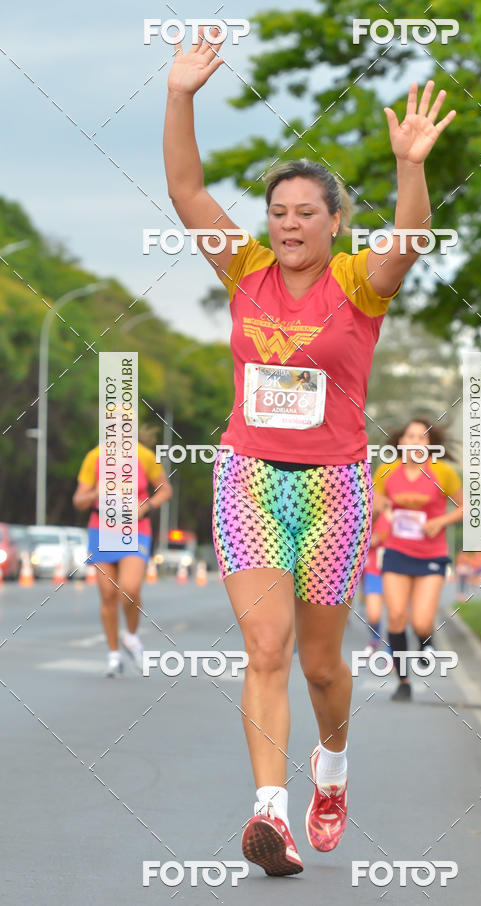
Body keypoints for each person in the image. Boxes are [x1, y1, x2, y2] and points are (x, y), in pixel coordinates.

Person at [163, 25, 456, 876]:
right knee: (266, 649)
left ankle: (332, 768)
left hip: (333, 488)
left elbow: (410, 240)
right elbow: (186, 189)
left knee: (324, 667)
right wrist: (180, 94)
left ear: (334, 221)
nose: (289, 225)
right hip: (249, 477)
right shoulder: (245, 269)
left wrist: (410, 167)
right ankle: (270, 814)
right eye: (278, 212)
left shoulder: (359, 284)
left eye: (305, 213)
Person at [373, 419, 463, 701]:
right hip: (396, 552)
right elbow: (374, 501)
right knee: (396, 616)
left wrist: (440, 522)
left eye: (421, 437)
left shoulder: (443, 472)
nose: (415, 442)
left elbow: (465, 507)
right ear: (400, 442)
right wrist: (381, 505)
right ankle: (403, 681)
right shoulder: (386, 470)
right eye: (410, 436)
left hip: (431, 555)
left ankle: (426, 639)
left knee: (421, 622)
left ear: (430, 444)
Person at [73, 431, 172, 676]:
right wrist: (96, 492)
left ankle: (132, 636)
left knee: (129, 588)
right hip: (102, 529)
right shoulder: (95, 457)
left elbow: (165, 490)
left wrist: (146, 506)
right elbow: (79, 501)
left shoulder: (144, 456)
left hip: (136, 529)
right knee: (108, 595)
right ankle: (114, 655)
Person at [360, 510, 391, 656]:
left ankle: (392, 652)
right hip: (374, 570)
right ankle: (375, 637)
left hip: (396, 569)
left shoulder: (398, 511)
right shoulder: (370, 511)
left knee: (395, 615)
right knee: (373, 614)